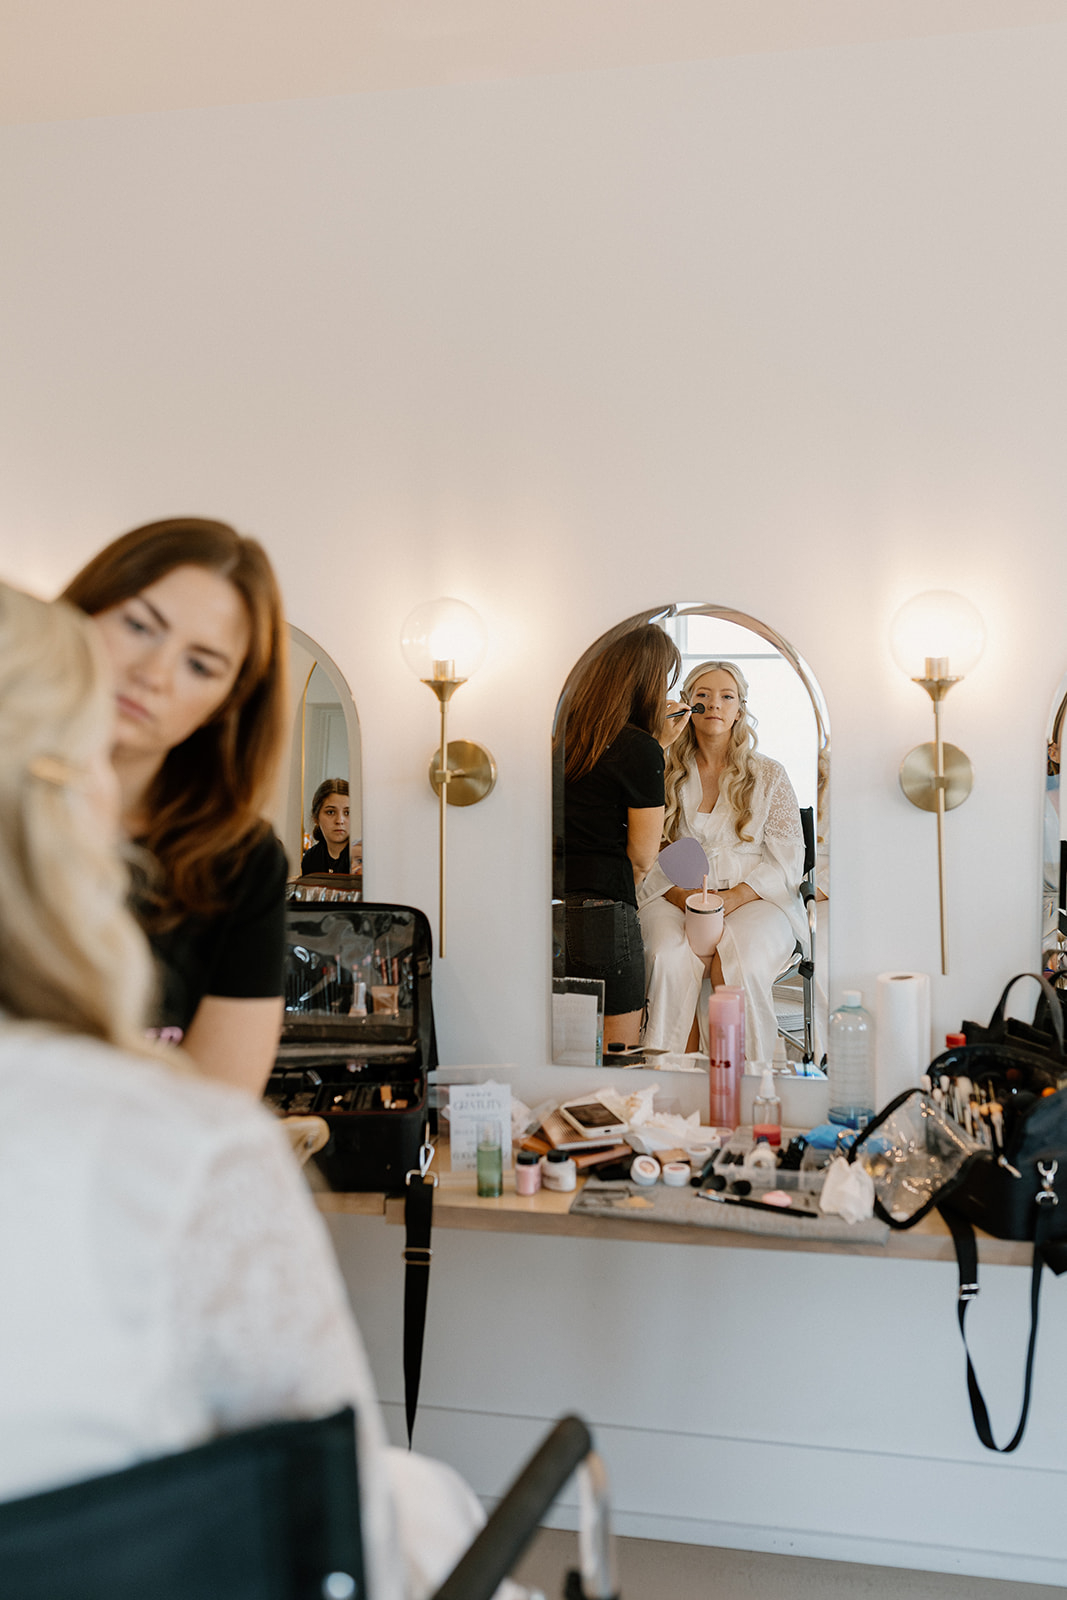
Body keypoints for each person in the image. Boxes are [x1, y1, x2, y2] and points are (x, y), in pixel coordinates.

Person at [0, 580, 516, 1600]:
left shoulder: (243, 876)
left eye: (203, 661)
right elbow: (340, 1523)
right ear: (72, 806)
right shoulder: (180, 1148)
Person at [62, 518, 290, 1093]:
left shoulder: (242, 863)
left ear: (225, 703)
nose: (152, 675)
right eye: (139, 626)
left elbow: (212, 1118)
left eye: (200, 665)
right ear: (78, 614)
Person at [638, 659, 807, 1063]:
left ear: (739, 709)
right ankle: (671, 1072)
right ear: (688, 707)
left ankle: (743, 1080)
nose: (715, 704)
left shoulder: (769, 775)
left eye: (726, 696)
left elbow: (787, 856)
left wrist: (729, 902)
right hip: (672, 892)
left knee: (740, 963)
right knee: (669, 957)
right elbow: (650, 842)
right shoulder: (659, 769)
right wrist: (683, 897)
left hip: (756, 899)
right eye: (703, 695)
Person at [558, 623, 689, 1049]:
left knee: (560, 1047)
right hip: (602, 907)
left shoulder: (566, 737)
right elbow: (643, 855)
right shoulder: (640, 748)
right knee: (618, 1056)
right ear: (647, 683)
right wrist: (656, 747)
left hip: (545, 901)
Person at [301, 778, 352, 874]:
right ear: (316, 818)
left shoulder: (363, 857)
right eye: (330, 812)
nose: (339, 820)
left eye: (347, 812)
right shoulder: (310, 859)